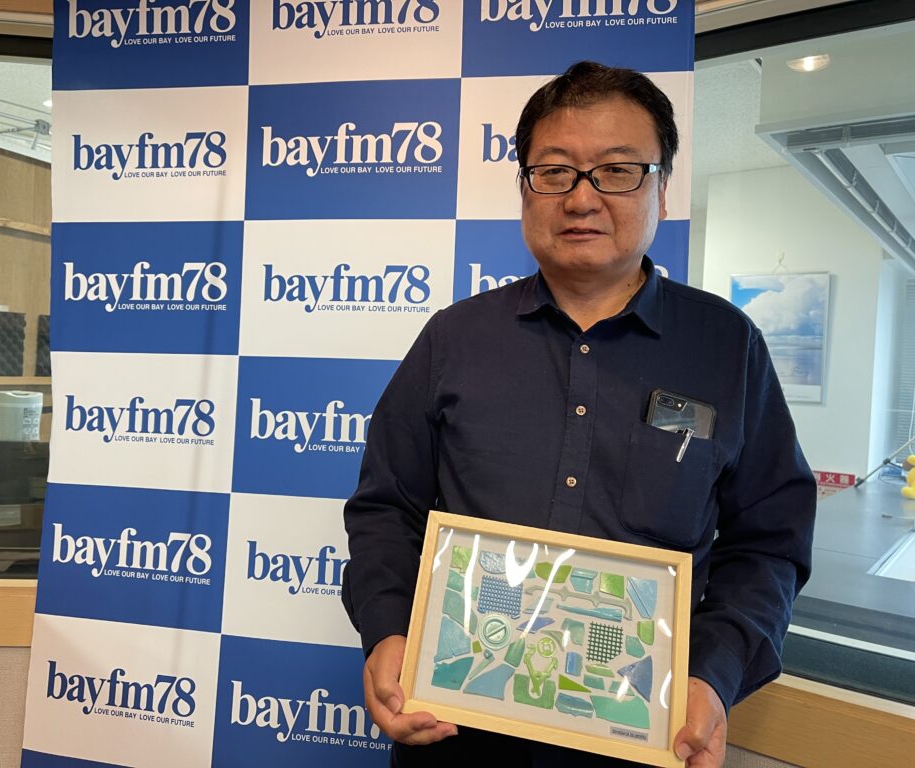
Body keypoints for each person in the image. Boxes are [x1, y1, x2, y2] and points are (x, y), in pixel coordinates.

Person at [341, 60, 816, 767]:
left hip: (642, 739)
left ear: (662, 188)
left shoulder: (727, 347)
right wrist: (388, 630)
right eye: (555, 172)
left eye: (618, 171)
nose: (582, 198)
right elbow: (387, 508)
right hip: (457, 729)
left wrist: (713, 675)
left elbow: (769, 542)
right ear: (525, 188)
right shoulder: (454, 339)